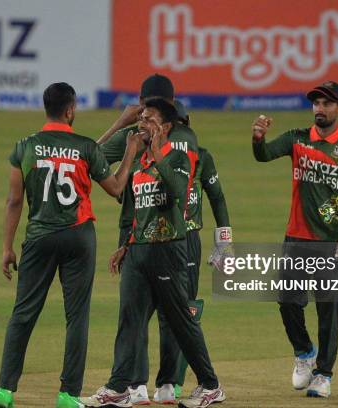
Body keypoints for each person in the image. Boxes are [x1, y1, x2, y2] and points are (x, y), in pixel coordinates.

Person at [0, 83, 142, 408]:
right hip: (78, 236)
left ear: (46, 108)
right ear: (71, 110)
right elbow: (116, 187)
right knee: (76, 317)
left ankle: (4, 391)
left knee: (23, 314)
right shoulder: (85, 147)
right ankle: (67, 395)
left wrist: (7, 247)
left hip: (39, 236)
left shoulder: (25, 146)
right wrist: (129, 152)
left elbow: (14, 201)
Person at [82, 98, 225, 408]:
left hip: (169, 249)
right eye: (141, 118)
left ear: (167, 126)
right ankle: (119, 386)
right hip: (139, 250)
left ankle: (210, 385)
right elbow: (139, 210)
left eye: (149, 119)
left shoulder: (179, 157)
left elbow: (179, 193)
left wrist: (158, 152)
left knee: (179, 319)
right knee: (130, 317)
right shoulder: (140, 159)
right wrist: (127, 244)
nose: (141, 123)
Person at [251, 81, 338, 398]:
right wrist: (258, 139)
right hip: (297, 238)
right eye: (316, 103)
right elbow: (263, 156)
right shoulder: (296, 139)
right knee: (287, 301)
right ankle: (304, 353)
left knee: (329, 310)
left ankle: (324, 374)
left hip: (332, 241)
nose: (320, 108)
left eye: (327, 104)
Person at [97, 74, 201, 405]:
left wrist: (120, 124)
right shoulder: (187, 135)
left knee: (138, 310)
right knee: (171, 309)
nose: (144, 114)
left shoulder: (153, 136)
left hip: (145, 229)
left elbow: (94, 156)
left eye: (147, 108)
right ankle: (166, 384)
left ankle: (139, 385)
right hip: (178, 234)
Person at [172, 100, 232, 390]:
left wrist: (224, 243)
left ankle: (174, 381)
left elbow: (217, 197)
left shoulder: (202, 157)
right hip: (156, 239)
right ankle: (137, 383)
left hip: (189, 239)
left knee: (184, 312)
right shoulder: (154, 154)